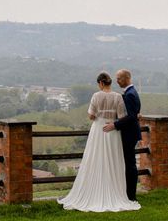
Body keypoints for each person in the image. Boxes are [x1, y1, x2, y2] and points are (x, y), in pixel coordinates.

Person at [58, 72, 141, 212]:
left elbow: (91, 116)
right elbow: (121, 116)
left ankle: (95, 190)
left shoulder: (96, 96)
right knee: (113, 160)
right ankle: (116, 192)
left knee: (95, 158)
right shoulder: (118, 97)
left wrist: (98, 115)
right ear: (109, 82)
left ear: (101, 83)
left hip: (98, 129)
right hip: (112, 131)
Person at [103, 69, 142, 201]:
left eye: (119, 78)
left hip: (129, 134)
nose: (117, 81)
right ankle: (127, 194)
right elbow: (135, 113)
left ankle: (131, 196)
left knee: (130, 165)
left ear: (126, 78)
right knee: (128, 163)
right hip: (130, 133)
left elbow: (131, 116)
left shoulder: (130, 94)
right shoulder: (132, 92)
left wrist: (114, 125)